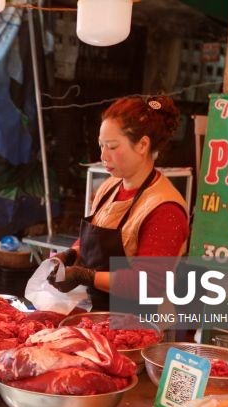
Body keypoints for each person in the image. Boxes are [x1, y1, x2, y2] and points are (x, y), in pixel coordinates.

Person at [49, 95, 189, 310]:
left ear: (142, 145)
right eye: (101, 145)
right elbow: (93, 244)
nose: (103, 156)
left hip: (140, 326)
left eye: (112, 147)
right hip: (99, 315)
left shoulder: (164, 208)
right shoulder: (109, 187)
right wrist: (71, 255)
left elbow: (148, 284)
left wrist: (84, 275)